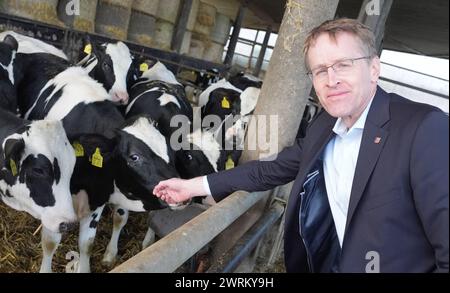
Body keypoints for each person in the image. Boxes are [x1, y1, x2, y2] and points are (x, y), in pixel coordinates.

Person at [153, 18, 449, 273]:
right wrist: (193, 186)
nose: (331, 80)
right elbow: (270, 170)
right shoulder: (324, 125)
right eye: (320, 70)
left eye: (343, 65)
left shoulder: (424, 128)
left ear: (374, 69)